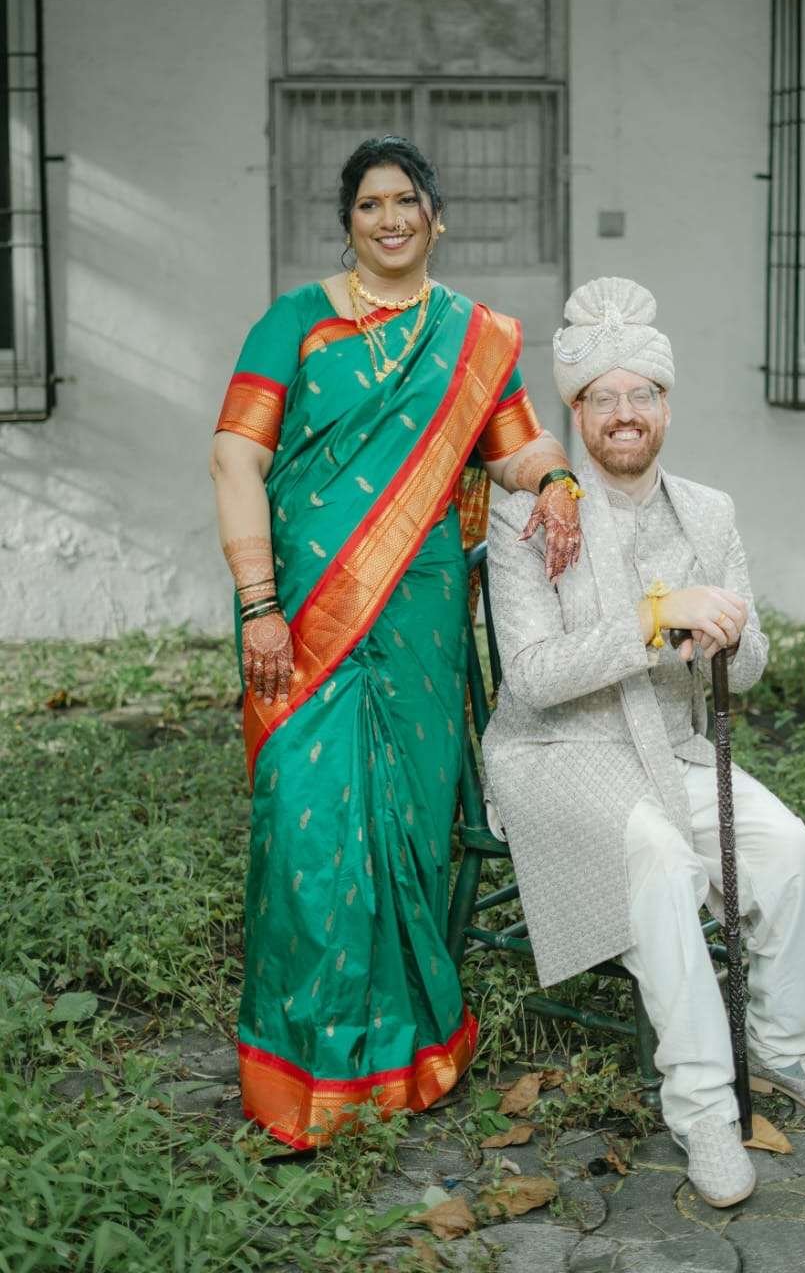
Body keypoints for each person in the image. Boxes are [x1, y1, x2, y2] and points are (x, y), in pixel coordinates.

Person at [210, 136, 583, 1150]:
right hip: (301, 618)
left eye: (405, 200)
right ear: (349, 222)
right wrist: (259, 603)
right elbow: (235, 460)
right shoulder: (296, 322)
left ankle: (407, 1054)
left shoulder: (473, 337)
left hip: (418, 618)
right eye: (370, 202)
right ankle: (303, 1068)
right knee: (306, 831)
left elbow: (518, 448)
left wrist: (556, 480)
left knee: (410, 830)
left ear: (435, 218)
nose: (388, 217)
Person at [482, 276, 805, 1209]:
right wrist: (658, 618)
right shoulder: (527, 515)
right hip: (557, 754)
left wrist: (731, 639)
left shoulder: (708, 512)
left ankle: (783, 1050)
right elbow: (533, 676)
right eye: (602, 398)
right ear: (576, 413)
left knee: (791, 853)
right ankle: (704, 1105)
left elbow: (750, 666)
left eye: (642, 395)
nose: (624, 414)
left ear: (667, 406)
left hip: (670, 749)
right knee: (662, 862)